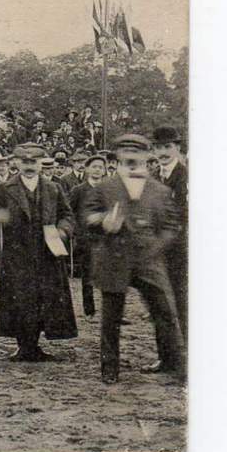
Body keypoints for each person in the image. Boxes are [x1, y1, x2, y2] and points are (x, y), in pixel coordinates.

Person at [82, 134, 184, 384]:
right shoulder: (105, 188)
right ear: (118, 156)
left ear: (145, 157)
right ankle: (109, 369)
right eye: (125, 152)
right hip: (114, 258)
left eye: (136, 153)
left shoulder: (160, 191)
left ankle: (176, 366)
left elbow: (171, 226)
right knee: (111, 318)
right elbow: (87, 215)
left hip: (149, 261)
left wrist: (156, 247)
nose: (131, 157)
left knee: (165, 313)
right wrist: (103, 221)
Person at [0, 143, 77, 361]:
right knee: (20, 299)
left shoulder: (53, 188)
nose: (29, 166)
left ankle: (34, 344)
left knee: (43, 298)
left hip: (47, 254)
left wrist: (62, 230)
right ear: (16, 163)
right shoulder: (5, 188)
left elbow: (67, 215)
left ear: (41, 164)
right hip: (17, 254)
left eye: (33, 162)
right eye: (25, 162)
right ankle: (23, 346)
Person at [151, 125, 188, 353]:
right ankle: (166, 357)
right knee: (159, 304)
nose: (163, 152)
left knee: (182, 304)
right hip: (156, 252)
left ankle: (188, 359)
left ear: (177, 148)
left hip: (179, 250)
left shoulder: (186, 176)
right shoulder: (154, 177)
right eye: (158, 147)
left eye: (167, 146)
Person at [67, 153, 108, 318]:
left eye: (100, 167)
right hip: (86, 239)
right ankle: (89, 309)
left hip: (106, 238)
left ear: (104, 170)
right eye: (94, 167)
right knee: (88, 275)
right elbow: (69, 212)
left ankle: (109, 311)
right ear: (87, 169)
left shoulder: (109, 189)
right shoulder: (78, 190)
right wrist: (77, 231)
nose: (97, 170)